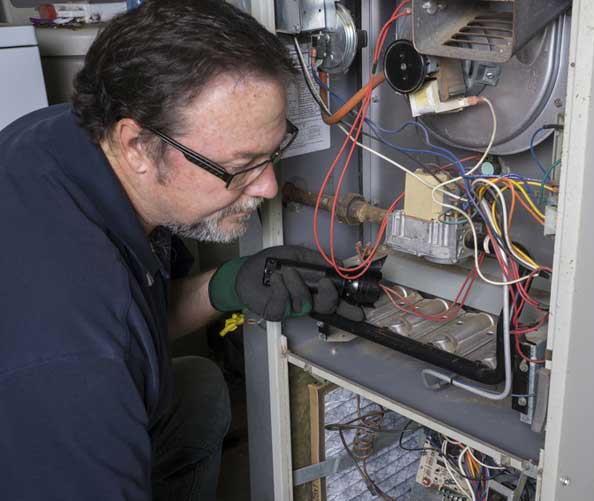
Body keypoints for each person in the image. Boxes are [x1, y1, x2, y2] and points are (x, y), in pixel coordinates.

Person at [0, 0, 358, 499]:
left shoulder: (64, 136)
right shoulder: (76, 357)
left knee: (201, 392)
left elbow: (137, 321)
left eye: (273, 153)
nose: (269, 188)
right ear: (138, 146)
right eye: (242, 164)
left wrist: (226, 284)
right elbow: (107, 337)